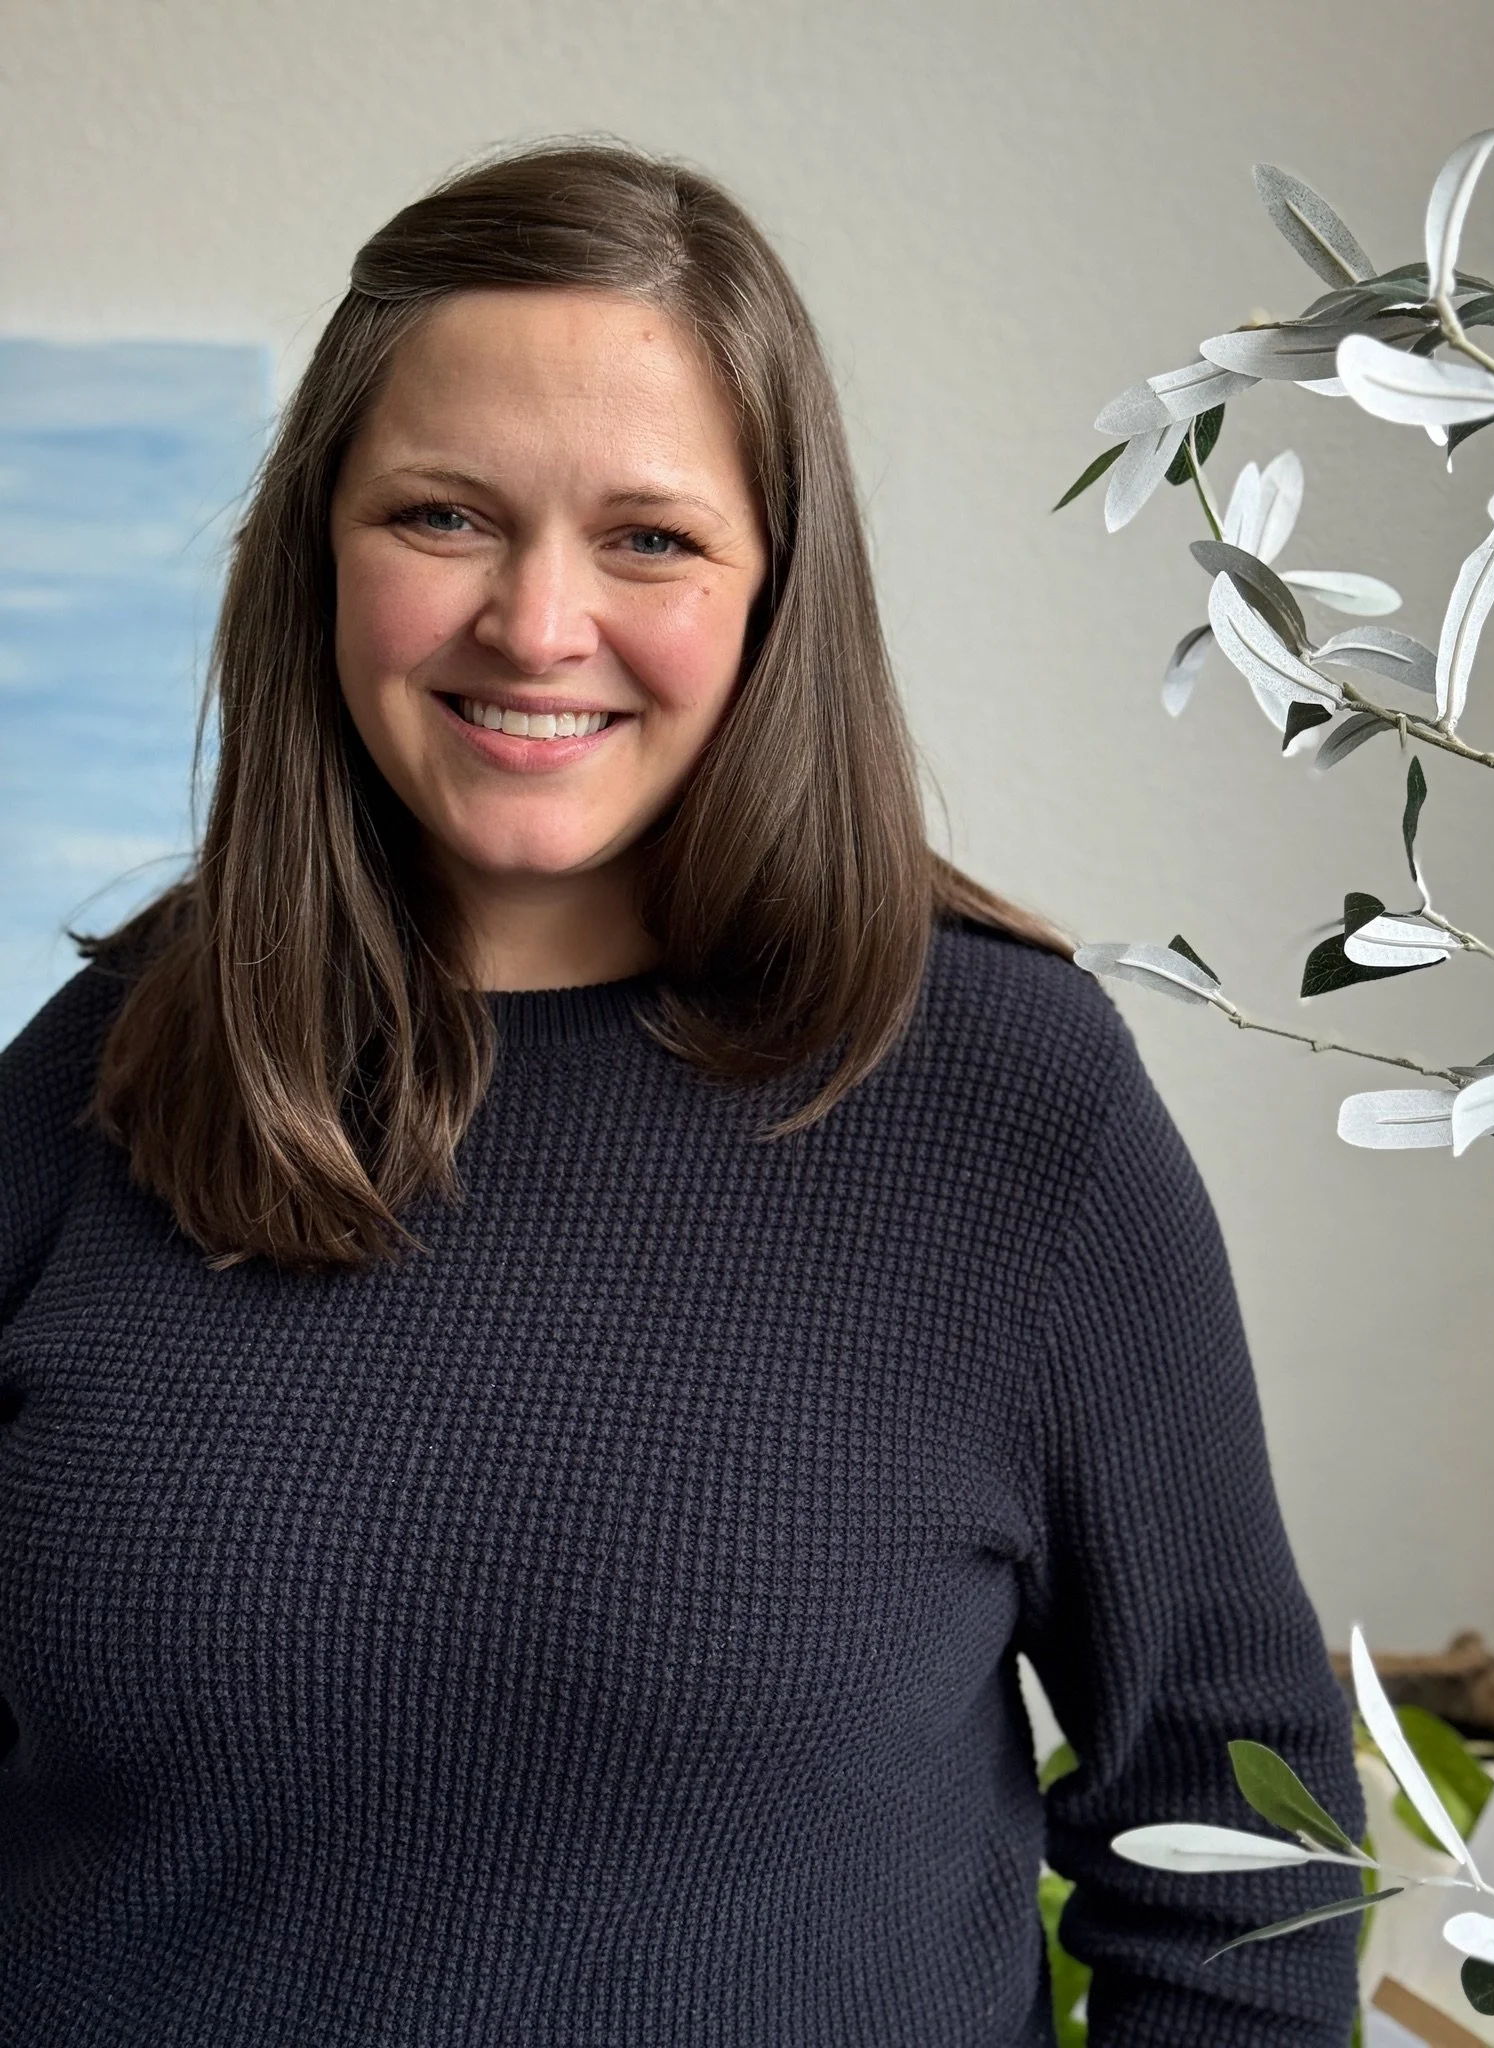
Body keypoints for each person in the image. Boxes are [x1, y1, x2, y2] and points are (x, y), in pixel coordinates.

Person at [0, 140, 1365, 2046]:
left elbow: (1246, 1856)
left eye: (648, 537)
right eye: (444, 517)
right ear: (315, 543)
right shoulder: (97, 1081)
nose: (537, 626)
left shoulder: (1006, 1106)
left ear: (770, 591)